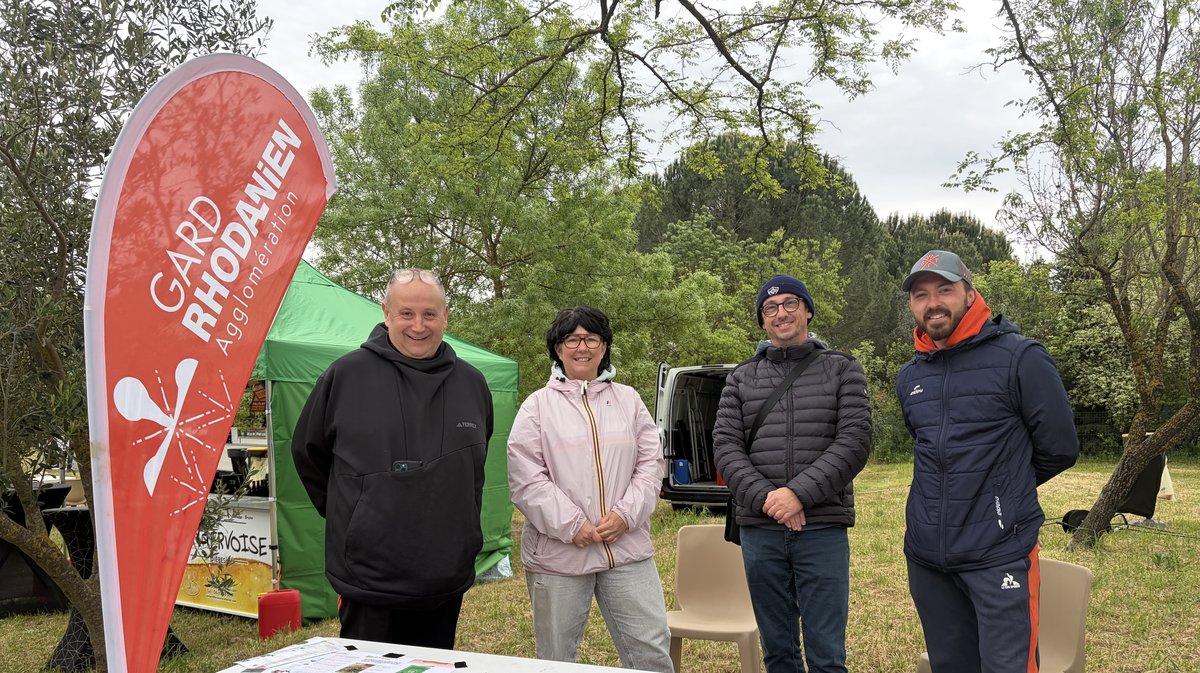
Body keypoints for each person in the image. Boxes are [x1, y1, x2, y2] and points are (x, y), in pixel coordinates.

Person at [896, 250, 1079, 673]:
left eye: (944, 290)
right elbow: (929, 449)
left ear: (969, 293)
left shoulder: (1021, 357)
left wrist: (1001, 492)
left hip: (999, 554)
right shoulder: (911, 376)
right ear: (911, 306)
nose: (933, 303)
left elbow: (1060, 448)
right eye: (921, 295)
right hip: (927, 558)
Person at [292, 268, 493, 648]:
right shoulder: (345, 376)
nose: (418, 325)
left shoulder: (472, 383)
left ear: (445, 316)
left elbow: (474, 467)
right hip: (371, 578)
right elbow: (308, 454)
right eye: (406, 313)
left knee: (432, 667)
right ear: (386, 313)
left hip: (445, 575)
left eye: (429, 314)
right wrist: (358, 517)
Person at [712, 274, 872, 673]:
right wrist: (770, 499)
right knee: (778, 652)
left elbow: (854, 442)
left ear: (808, 311)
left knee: (827, 656)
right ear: (762, 320)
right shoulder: (740, 377)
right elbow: (726, 448)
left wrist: (797, 494)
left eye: (790, 303)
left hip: (821, 526)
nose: (780, 313)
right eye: (770, 308)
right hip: (760, 529)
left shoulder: (843, 368)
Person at [507, 306, 673, 673]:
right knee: (556, 660)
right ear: (557, 348)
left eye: (591, 338)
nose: (582, 347)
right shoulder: (537, 407)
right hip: (559, 555)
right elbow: (525, 477)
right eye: (572, 339)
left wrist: (625, 515)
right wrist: (572, 524)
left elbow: (650, 464)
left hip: (626, 550)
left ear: (604, 346)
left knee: (651, 652)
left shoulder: (629, 400)